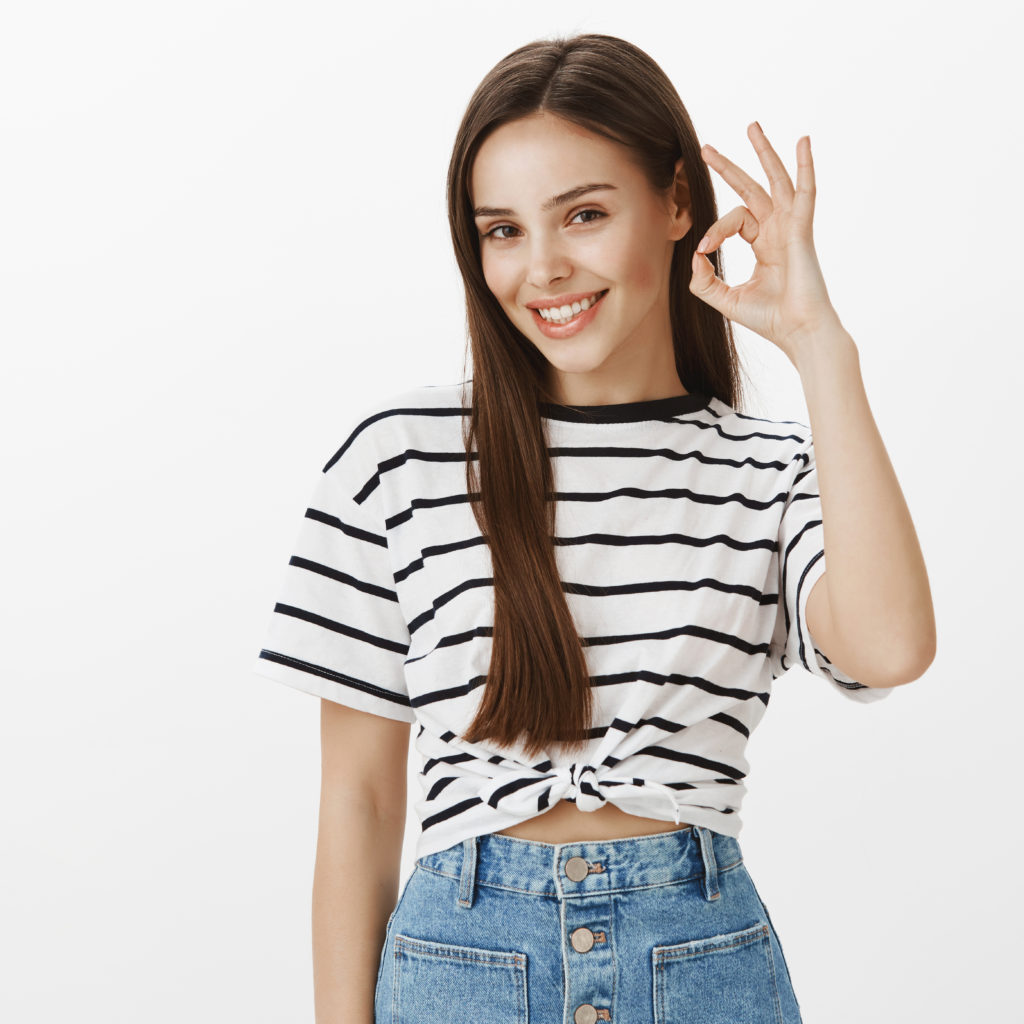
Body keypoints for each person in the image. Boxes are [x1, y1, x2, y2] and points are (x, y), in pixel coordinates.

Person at [253, 32, 935, 1024]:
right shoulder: (397, 457)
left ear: (673, 203)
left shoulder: (770, 469)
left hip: (700, 963)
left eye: (583, 213)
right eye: (502, 230)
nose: (544, 267)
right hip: (459, 967)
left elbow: (890, 648)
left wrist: (819, 346)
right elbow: (356, 803)